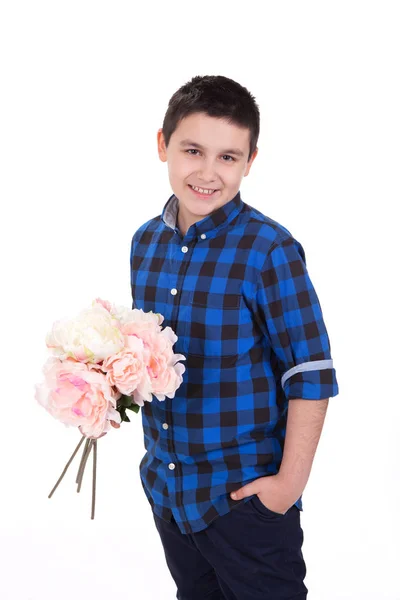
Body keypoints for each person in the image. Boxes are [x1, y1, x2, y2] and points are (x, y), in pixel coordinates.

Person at [129, 75, 339, 600]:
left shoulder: (269, 250)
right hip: (170, 490)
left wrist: (286, 487)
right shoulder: (145, 243)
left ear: (250, 161)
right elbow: (150, 353)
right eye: (192, 150)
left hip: (243, 500)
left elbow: (310, 374)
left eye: (227, 157)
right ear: (163, 145)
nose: (207, 172)